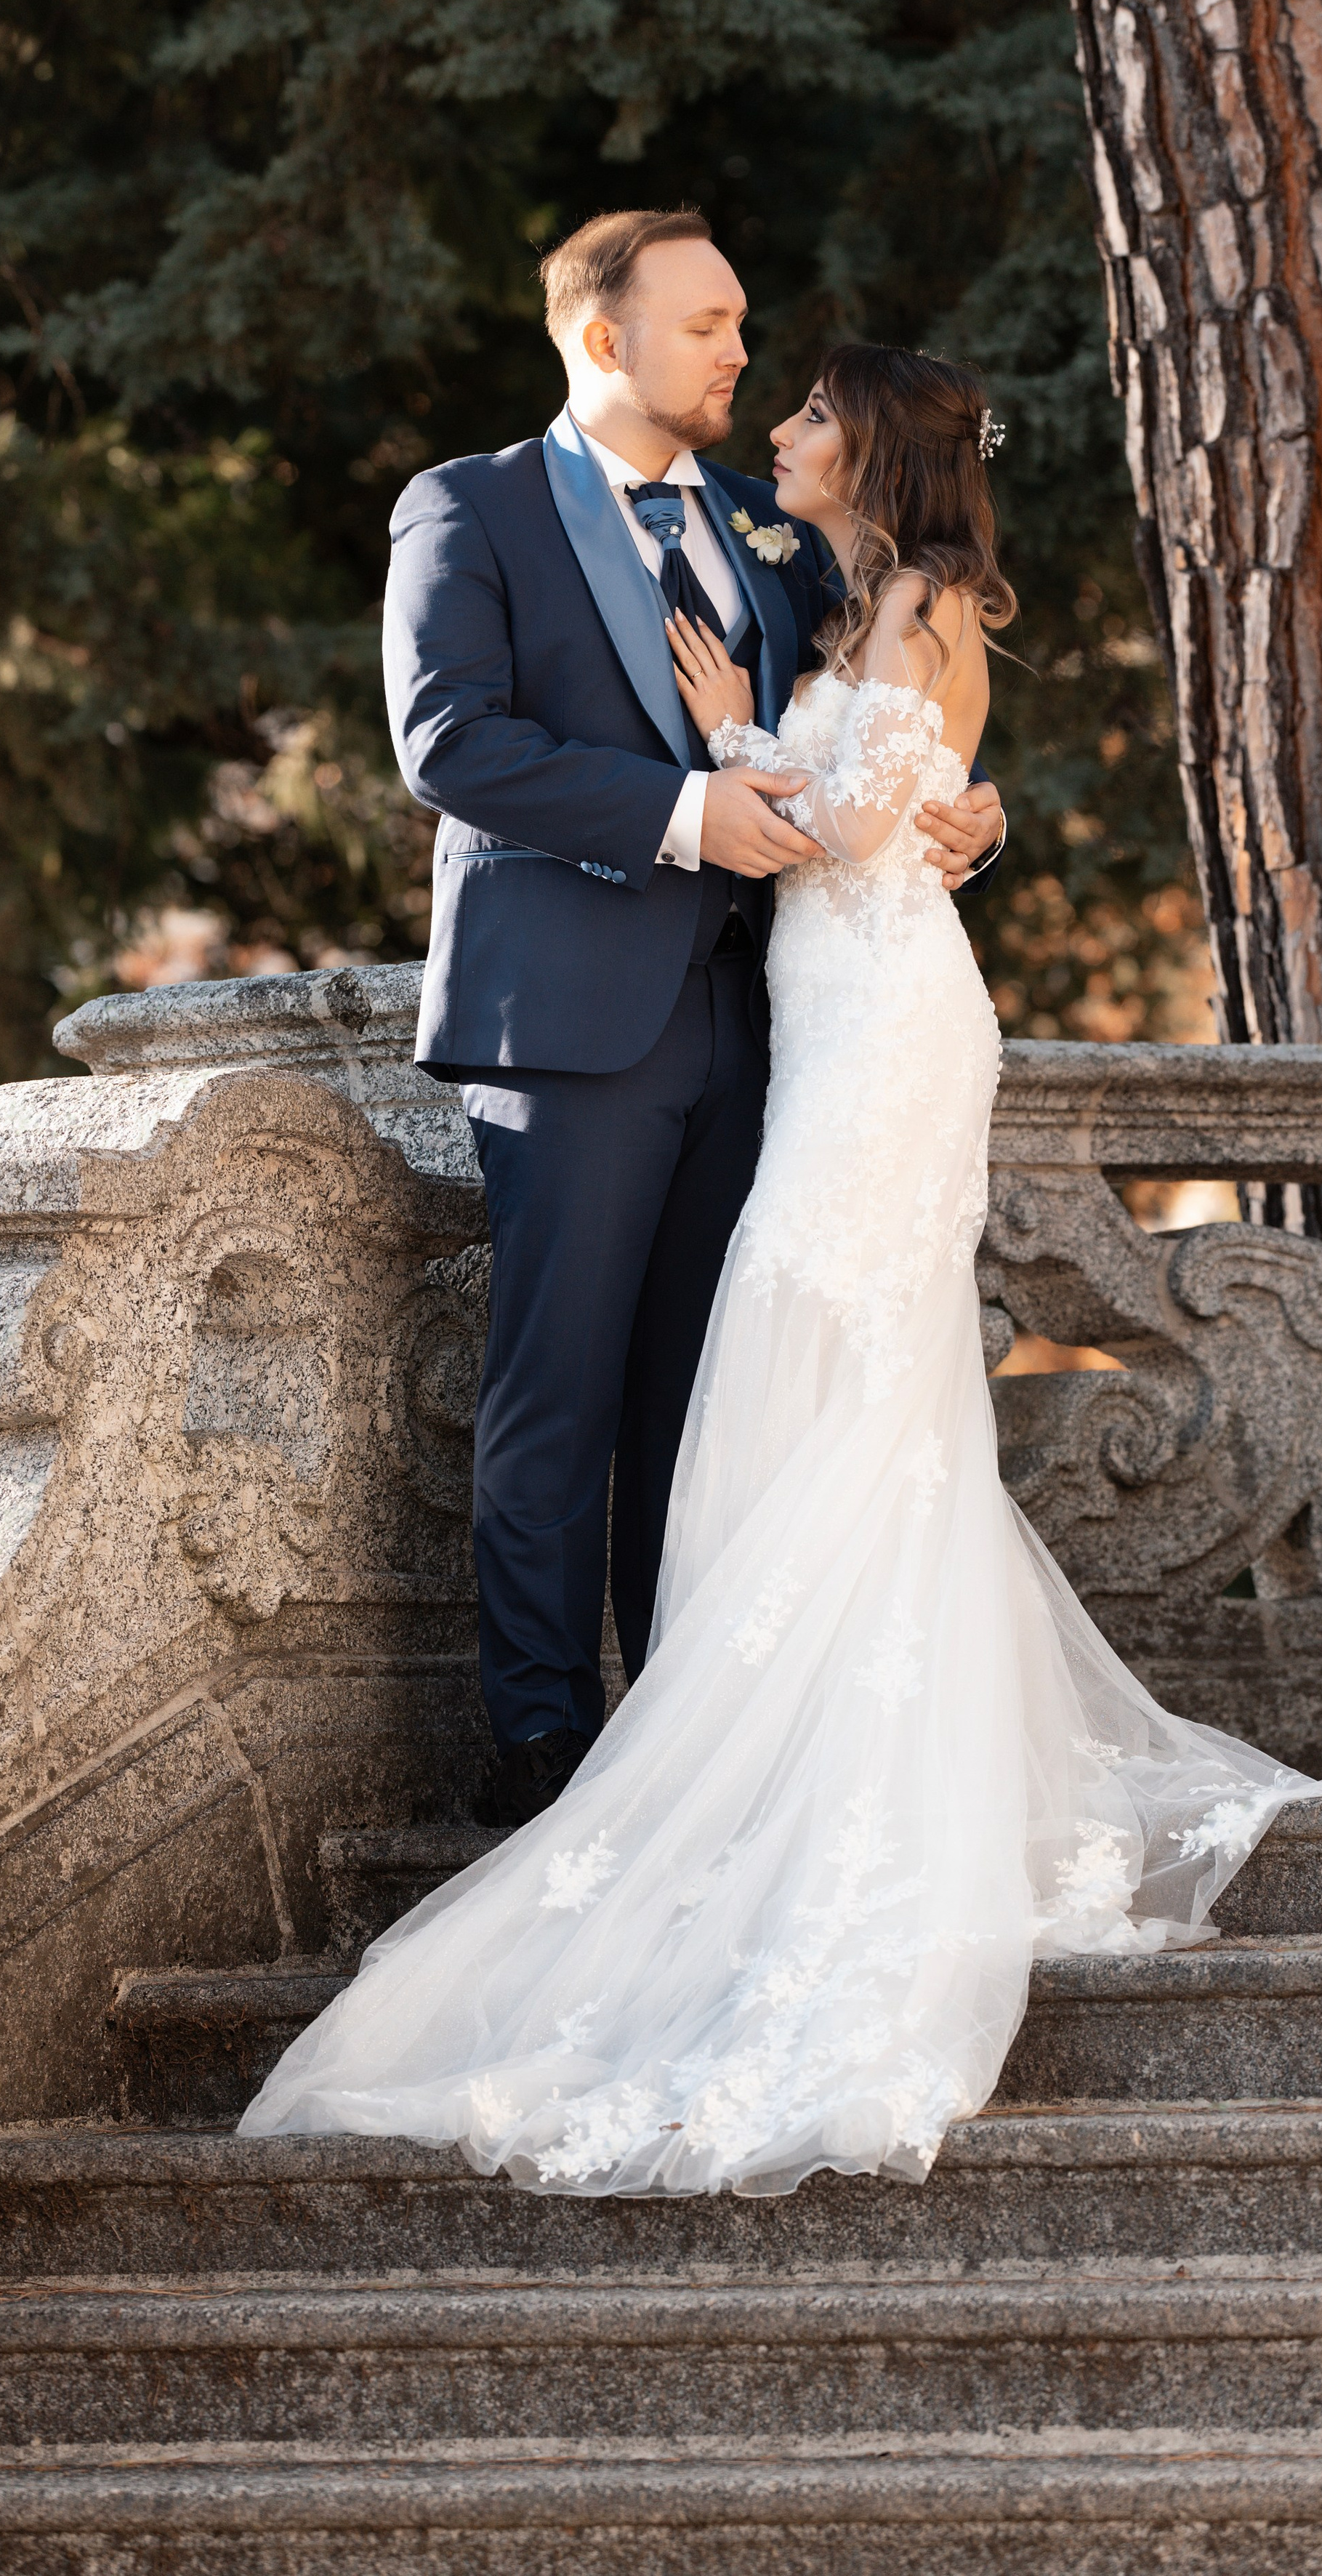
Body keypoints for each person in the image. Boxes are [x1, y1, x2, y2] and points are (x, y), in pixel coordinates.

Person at [240, 341, 1322, 2194]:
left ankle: (775, 1760)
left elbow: (869, 817)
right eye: (742, 364)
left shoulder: (899, 598)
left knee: (815, 1356)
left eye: (807, 409)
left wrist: (736, 746)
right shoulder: (810, 582)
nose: (771, 419)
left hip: (871, 1033)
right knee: (807, 1377)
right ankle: (691, 1749)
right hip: (816, 1016)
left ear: (873, 450)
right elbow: (877, 792)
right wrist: (827, 767)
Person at [379, 208, 1008, 1829]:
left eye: (743, 329)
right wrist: (681, 813)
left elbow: (886, 723)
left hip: (769, 1033)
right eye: (710, 326)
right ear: (605, 339)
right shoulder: (471, 508)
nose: (742, 354)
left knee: (701, 1402)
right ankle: (542, 1751)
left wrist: (976, 811)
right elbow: (449, 742)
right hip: (572, 1024)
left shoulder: (770, 527)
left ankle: (687, 1751)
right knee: (555, 1394)